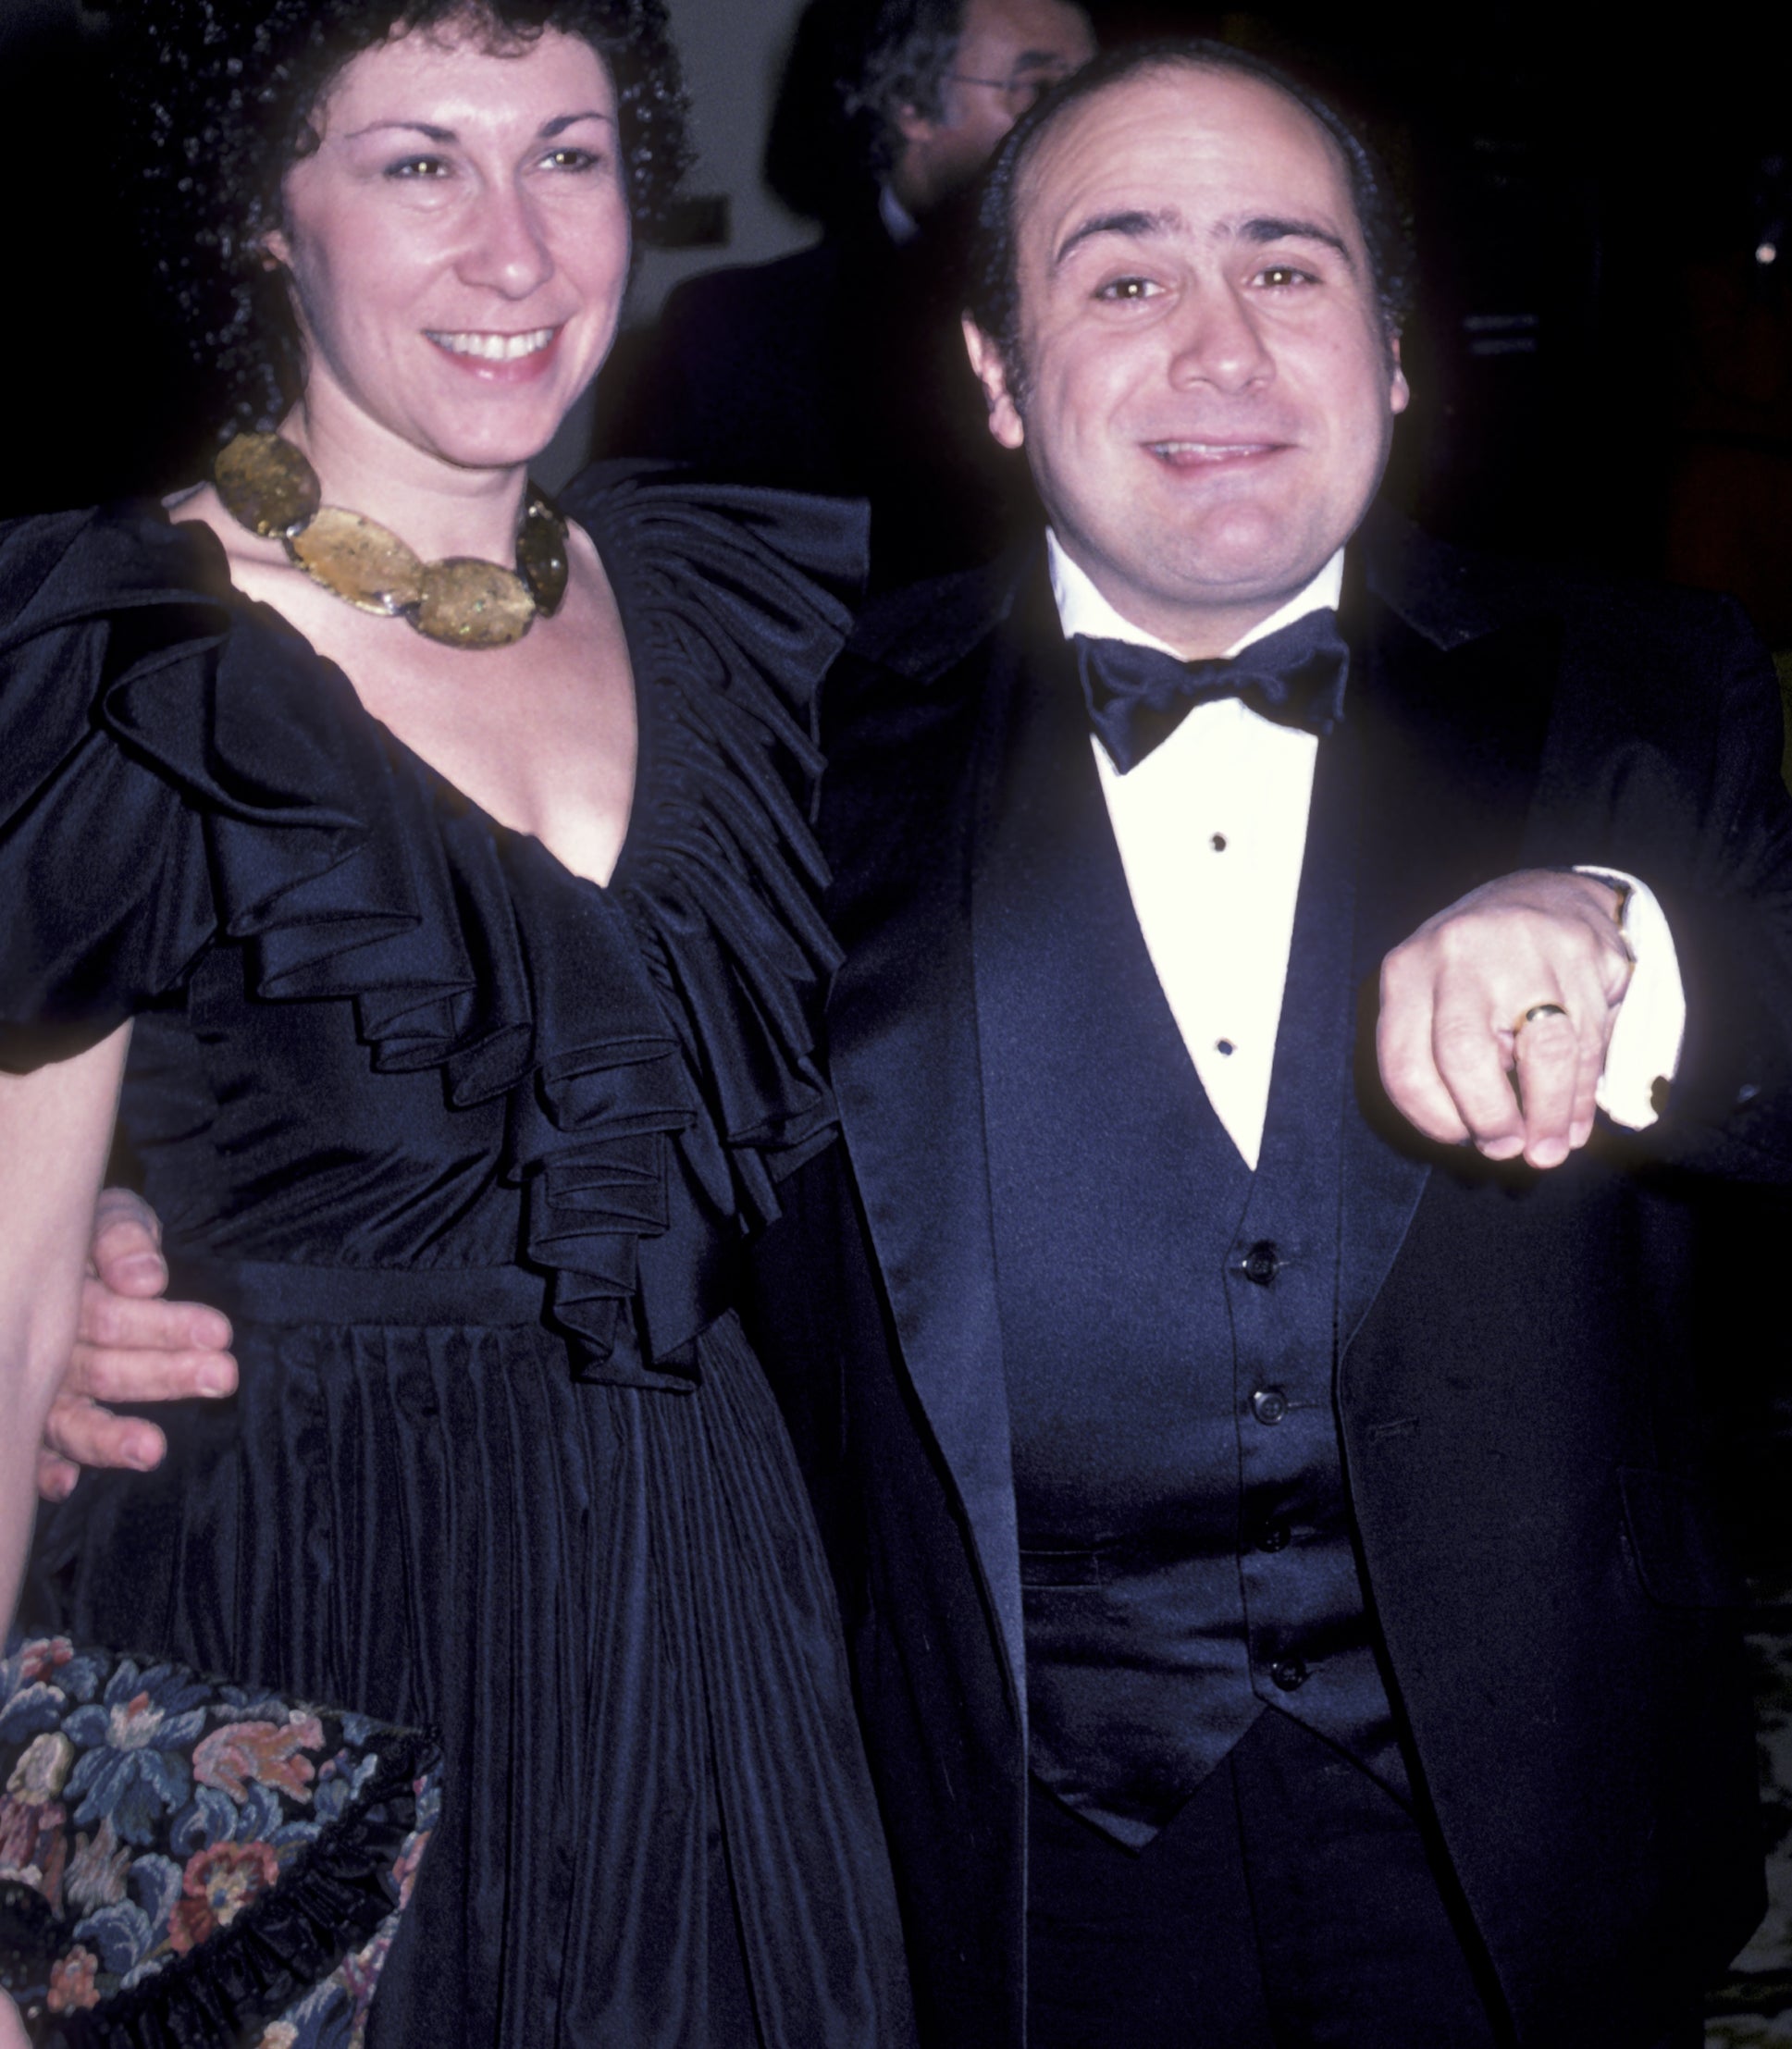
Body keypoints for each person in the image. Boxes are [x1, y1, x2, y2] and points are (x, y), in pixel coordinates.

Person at [731, 38, 1792, 2049]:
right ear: (993, 373)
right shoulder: (783, 746)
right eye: (1122, 278)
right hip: (998, 1860)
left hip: (1523, 1844)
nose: (1216, 347)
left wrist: (1624, 940)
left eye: (1285, 269)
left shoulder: (1642, 678)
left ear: (1391, 353)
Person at [0, 1, 914, 2043]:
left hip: (710, 1607)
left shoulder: (741, 609)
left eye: (568, 155)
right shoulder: (113, 655)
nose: (515, 248)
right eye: (418, 162)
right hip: (292, 1608)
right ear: (264, 212)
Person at [597, 0, 1095, 588]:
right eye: (1038, 89)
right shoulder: (739, 332)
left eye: (1092, 86)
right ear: (912, 105)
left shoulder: (1151, 308)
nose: (1085, 122)